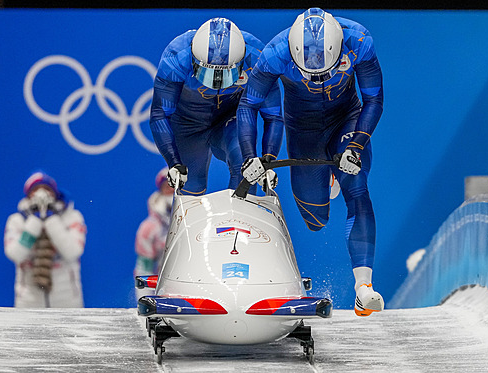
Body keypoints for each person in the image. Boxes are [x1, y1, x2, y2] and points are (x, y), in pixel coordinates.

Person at [238, 8, 384, 316]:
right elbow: (248, 104)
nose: (317, 78)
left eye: (325, 72)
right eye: (309, 74)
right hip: (303, 131)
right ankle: (329, 176)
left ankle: (364, 288)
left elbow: (373, 99)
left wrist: (356, 145)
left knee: (356, 187)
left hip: (347, 120)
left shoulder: (358, 40)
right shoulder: (274, 54)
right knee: (315, 221)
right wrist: (251, 154)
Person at [149, 17, 283, 195]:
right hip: (187, 124)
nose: (216, 82)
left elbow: (273, 115)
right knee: (190, 186)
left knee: (247, 168)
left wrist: (267, 160)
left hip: (229, 119)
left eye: (225, 75)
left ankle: (240, 217)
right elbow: (160, 114)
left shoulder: (257, 58)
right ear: (194, 61)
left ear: (241, 62)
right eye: (207, 73)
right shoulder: (177, 56)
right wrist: (174, 162)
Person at [4, 171, 86, 308]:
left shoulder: (72, 217)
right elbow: (15, 254)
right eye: (35, 190)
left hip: (67, 302)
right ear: (28, 195)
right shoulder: (17, 221)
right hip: (29, 302)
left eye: (47, 189)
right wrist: (34, 222)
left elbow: (72, 252)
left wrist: (51, 220)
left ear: (55, 193)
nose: (42, 194)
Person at [134, 167, 174, 300]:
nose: (172, 191)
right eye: (167, 186)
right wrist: (146, 302)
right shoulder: (148, 228)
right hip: (164, 296)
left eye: (176, 186)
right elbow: (144, 269)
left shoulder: (198, 220)